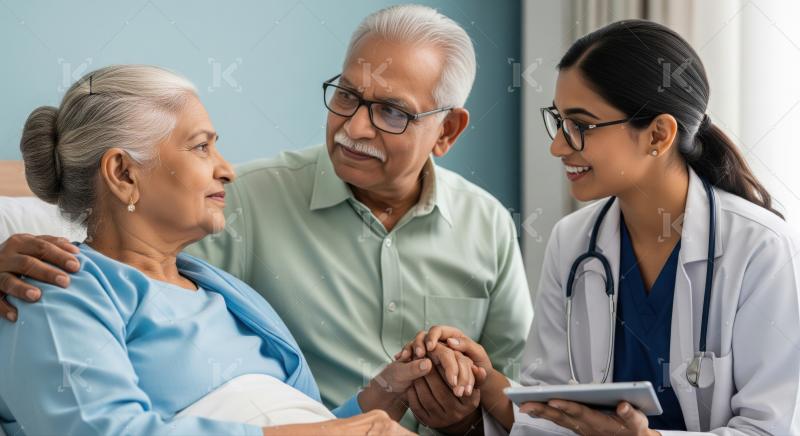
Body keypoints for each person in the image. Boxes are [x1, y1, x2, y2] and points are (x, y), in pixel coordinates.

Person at [0, 5, 533, 434]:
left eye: (392, 112)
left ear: (446, 132)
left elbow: (309, 421)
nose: (227, 171)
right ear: (122, 173)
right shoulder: (63, 288)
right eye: (202, 146)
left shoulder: (220, 291)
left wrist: (394, 391)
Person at [398, 19, 800, 435]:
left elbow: (770, 429)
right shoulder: (572, 241)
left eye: (581, 126)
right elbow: (554, 416)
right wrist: (485, 381)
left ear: (657, 135)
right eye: (559, 121)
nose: (557, 146)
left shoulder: (762, 249)